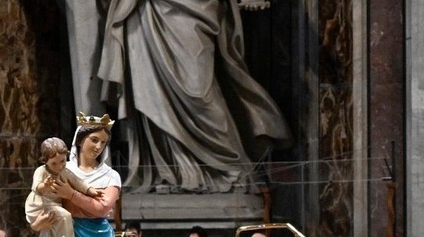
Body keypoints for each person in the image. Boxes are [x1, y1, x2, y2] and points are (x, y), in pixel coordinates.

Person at [96, 0, 290, 193]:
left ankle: (228, 163)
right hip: (148, 9)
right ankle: (170, 171)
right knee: (153, 94)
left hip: (197, 8)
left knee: (199, 92)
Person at [25, 137, 103, 237]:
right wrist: (45, 185)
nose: (59, 166)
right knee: (65, 216)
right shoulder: (41, 171)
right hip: (40, 204)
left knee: (52, 226)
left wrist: (90, 190)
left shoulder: (65, 172)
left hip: (54, 203)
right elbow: (36, 188)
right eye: (54, 163)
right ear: (45, 161)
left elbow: (78, 182)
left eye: (62, 161)